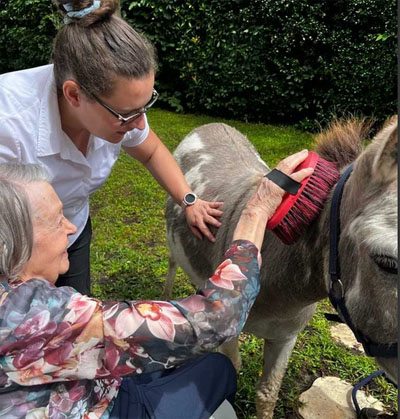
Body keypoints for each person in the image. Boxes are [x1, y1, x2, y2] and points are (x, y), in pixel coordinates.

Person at [0, 152, 313, 418]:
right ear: (13, 242)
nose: (70, 228)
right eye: (57, 220)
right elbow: (219, 317)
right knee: (218, 368)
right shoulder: (43, 317)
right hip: (101, 407)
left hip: (67, 385)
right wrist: (255, 213)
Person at [0, 0, 224, 296]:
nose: (139, 123)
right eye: (127, 114)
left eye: (146, 105)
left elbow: (152, 150)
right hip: (13, 250)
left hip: (73, 232)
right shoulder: (9, 125)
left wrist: (189, 200)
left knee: (75, 322)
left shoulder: (121, 113)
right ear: (74, 95)